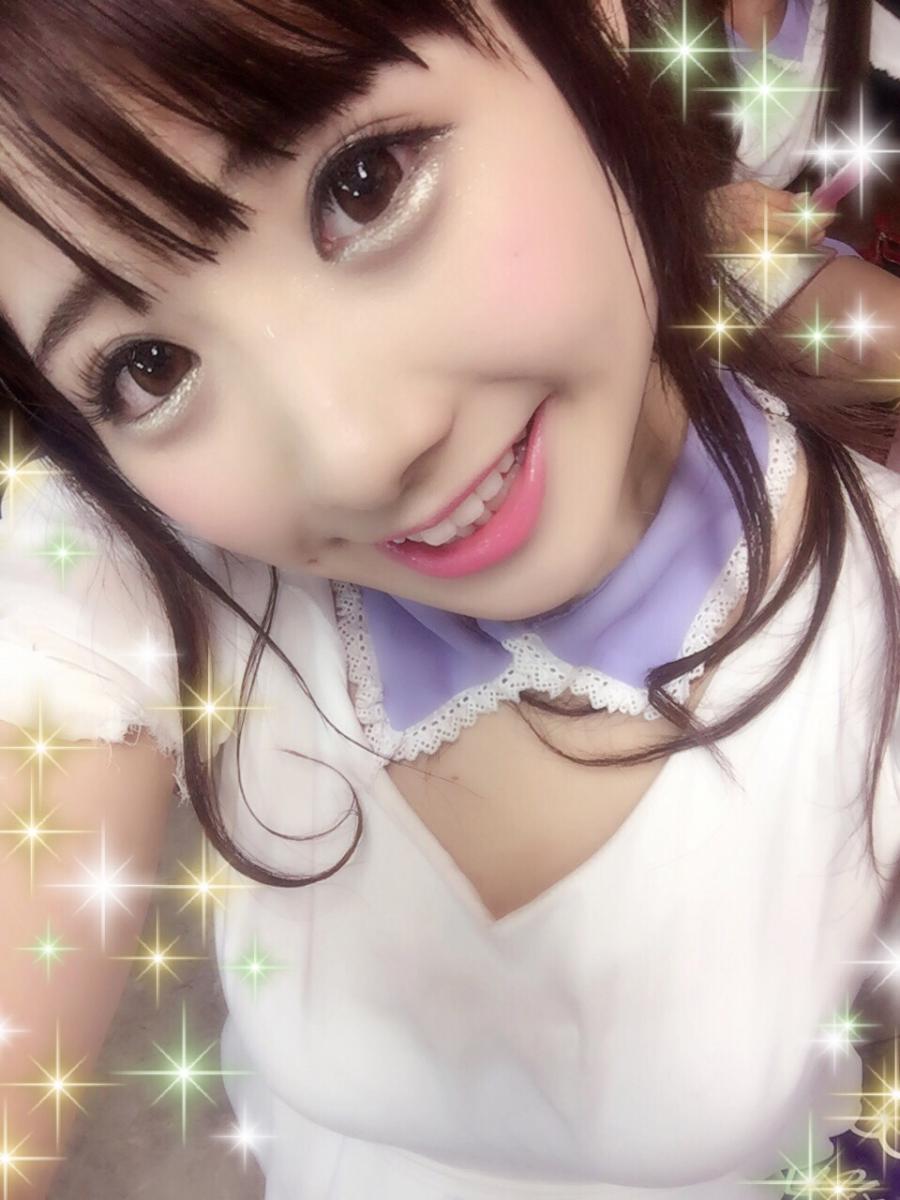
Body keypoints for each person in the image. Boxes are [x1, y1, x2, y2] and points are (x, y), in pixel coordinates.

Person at [1, 1, 900, 1196]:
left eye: (365, 183)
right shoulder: (139, 561)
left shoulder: (869, 593)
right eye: (146, 368)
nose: (354, 454)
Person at [700, 0, 900, 392]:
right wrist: (700, 217)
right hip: (636, 261)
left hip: (757, 261)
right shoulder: (631, 23)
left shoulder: (836, 17)